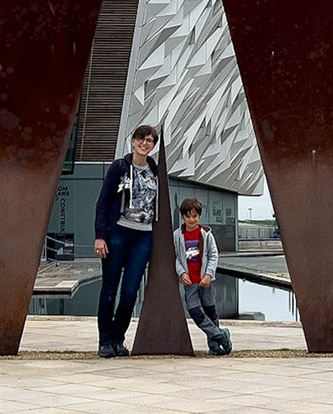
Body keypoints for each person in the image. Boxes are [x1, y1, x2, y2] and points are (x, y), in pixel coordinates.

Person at [93, 125, 160, 358]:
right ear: (133, 141)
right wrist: (100, 236)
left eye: (149, 140)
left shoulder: (155, 171)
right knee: (109, 289)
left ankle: (118, 338)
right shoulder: (119, 167)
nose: (144, 143)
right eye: (141, 138)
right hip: (118, 233)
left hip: (143, 235)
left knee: (130, 291)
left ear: (153, 145)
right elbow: (102, 203)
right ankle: (105, 340)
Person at [175, 197, 231, 355]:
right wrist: (182, 272)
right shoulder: (177, 236)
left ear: (199, 216)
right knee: (195, 311)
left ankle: (214, 345)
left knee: (210, 310)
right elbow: (177, 258)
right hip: (189, 282)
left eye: (194, 216)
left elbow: (213, 255)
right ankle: (221, 335)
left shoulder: (206, 234)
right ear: (183, 217)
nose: (191, 220)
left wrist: (208, 274)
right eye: (188, 216)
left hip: (205, 280)